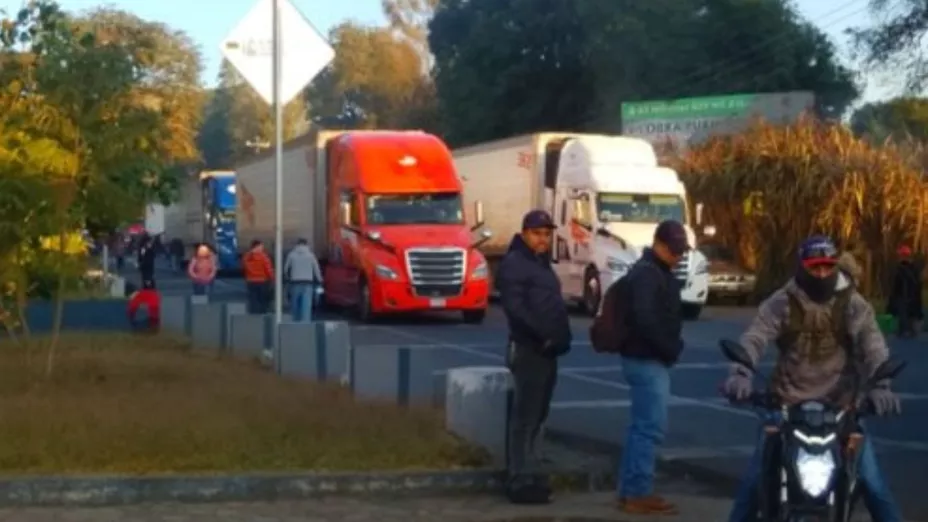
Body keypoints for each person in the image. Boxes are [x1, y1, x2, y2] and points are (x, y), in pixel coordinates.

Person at [722, 235, 902, 522]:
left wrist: (882, 386)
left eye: (827, 267)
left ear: (835, 267)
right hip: (786, 408)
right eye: (814, 267)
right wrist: (740, 374)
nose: (821, 273)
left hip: (841, 411)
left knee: (874, 486)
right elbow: (755, 337)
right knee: (754, 483)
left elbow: (874, 346)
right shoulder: (782, 301)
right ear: (802, 267)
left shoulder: (853, 304)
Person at [496, 209, 572, 505]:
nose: (543, 239)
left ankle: (532, 472)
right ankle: (519, 478)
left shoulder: (539, 263)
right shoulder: (516, 263)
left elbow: (548, 303)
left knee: (538, 415)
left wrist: (560, 337)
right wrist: (543, 334)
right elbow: (516, 308)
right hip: (529, 348)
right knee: (524, 417)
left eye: (546, 234)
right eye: (537, 234)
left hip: (547, 349)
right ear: (525, 233)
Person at [615, 219, 687, 515]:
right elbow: (645, 320)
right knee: (649, 428)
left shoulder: (653, 271)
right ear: (658, 244)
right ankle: (637, 492)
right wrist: (669, 348)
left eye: (681, 251)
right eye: (674, 250)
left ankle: (632, 489)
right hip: (646, 358)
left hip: (645, 356)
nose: (678, 256)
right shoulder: (648, 275)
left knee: (641, 427)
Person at [284, 238, 323, 322]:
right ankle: (305, 326)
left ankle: (295, 324)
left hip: (295, 283)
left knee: (295, 306)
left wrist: (287, 278)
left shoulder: (291, 255)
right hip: (308, 283)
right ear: (306, 245)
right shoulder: (311, 255)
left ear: (297, 244)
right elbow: (316, 269)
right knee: (306, 306)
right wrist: (320, 280)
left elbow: (286, 269)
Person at [888, 244, 922, 338]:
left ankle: (904, 331)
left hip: (902, 299)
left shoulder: (898, 270)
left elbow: (895, 287)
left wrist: (891, 303)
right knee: (911, 326)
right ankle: (909, 331)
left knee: (903, 324)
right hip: (913, 300)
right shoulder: (914, 269)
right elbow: (918, 287)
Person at [243, 239, 274, 314]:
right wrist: (272, 278)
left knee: (253, 300)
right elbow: (268, 269)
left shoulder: (246, 256)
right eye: (261, 246)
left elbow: (244, 268)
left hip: (250, 281)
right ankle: (262, 315)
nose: (262, 248)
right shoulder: (263, 257)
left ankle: (253, 315)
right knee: (262, 300)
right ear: (257, 247)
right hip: (262, 281)